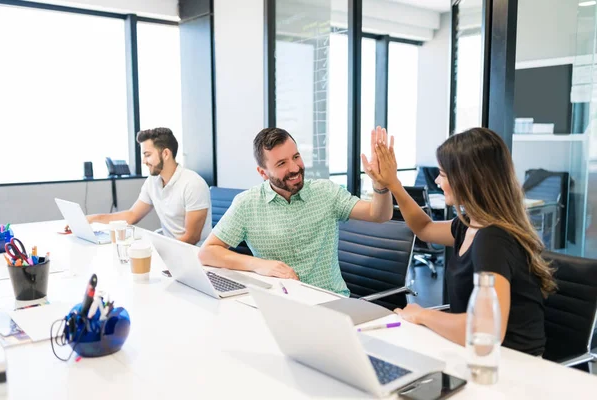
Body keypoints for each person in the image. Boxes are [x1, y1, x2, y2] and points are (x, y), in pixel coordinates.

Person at [365, 127, 556, 356]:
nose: (437, 180)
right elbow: (425, 228)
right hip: (474, 354)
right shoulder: (469, 225)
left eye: (443, 174)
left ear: (469, 179)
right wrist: (393, 184)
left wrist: (422, 314)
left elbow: (486, 329)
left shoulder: (493, 239)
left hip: (508, 366)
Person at [198, 126, 394, 296]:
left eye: (296, 157)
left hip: (329, 301)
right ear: (263, 173)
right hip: (279, 301)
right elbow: (207, 252)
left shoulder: (326, 192)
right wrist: (259, 264)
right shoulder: (247, 204)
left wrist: (380, 183)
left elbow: (379, 214)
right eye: (281, 163)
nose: (294, 168)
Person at [86, 127, 212, 245]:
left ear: (166, 154)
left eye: (147, 155)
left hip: (194, 255)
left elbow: (192, 238)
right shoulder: (153, 181)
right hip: (170, 249)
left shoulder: (193, 184)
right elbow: (132, 215)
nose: (144, 161)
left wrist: (157, 251)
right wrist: (93, 219)